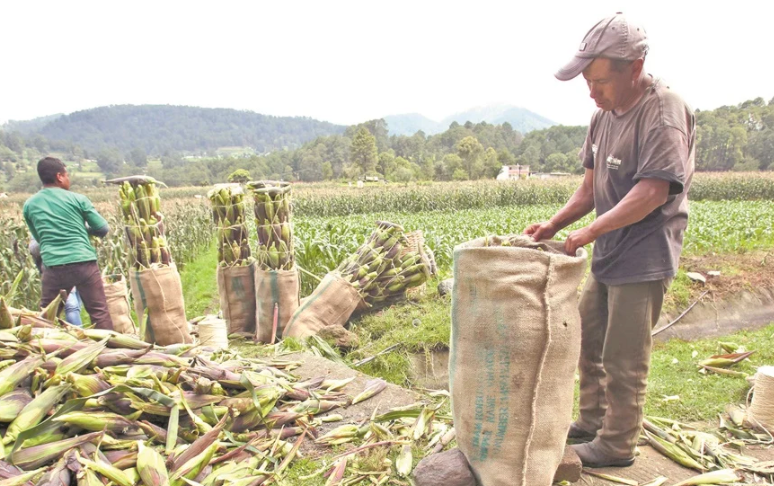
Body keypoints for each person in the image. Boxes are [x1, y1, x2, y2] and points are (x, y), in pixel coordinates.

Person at [524, 13, 695, 468]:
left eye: (599, 81)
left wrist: (590, 232)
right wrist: (554, 226)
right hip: (610, 249)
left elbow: (653, 191)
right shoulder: (602, 118)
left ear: (634, 69)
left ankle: (617, 445)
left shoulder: (663, 110)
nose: (591, 92)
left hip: (645, 252)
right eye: (587, 81)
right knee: (589, 337)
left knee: (624, 355)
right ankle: (593, 421)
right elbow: (589, 189)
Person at [22, 157, 115, 330]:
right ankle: (113, 352)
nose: (68, 179)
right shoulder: (78, 199)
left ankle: (42, 352)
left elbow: (39, 239)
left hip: (53, 266)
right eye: (67, 175)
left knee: (45, 318)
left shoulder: (29, 205)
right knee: (99, 313)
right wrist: (84, 229)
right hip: (83, 263)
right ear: (59, 177)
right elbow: (102, 228)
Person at [29, 238, 83, 326]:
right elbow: (34, 248)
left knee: (74, 306)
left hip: (73, 266)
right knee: (72, 307)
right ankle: (79, 334)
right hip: (64, 267)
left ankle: (78, 333)